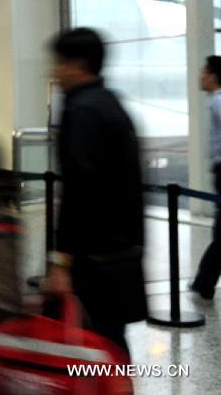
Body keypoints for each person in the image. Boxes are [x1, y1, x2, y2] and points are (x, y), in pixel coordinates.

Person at [42, 28, 146, 358]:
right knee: (109, 339)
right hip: (119, 253)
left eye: (59, 64)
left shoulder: (82, 112)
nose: (55, 73)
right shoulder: (111, 104)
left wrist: (61, 262)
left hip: (93, 259)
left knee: (94, 341)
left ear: (78, 65)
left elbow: (80, 192)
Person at [190, 55, 221, 300]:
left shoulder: (219, 101)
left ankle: (204, 281)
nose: (200, 75)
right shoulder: (215, 101)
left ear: (213, 76)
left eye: (203, 71)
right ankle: (204, 281)